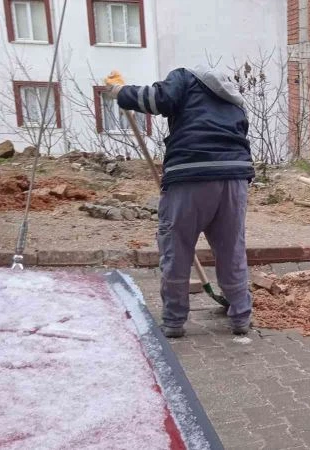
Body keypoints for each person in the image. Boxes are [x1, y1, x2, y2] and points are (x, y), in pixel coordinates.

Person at [104, 66, 255, 338]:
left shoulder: (185, 77)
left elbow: (159, 99)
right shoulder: (234, 99)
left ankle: (174, 321)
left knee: (177, 247)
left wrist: (121, 92)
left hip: (190, 175)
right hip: (235, 177)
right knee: (232, 249)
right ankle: (241, 316)